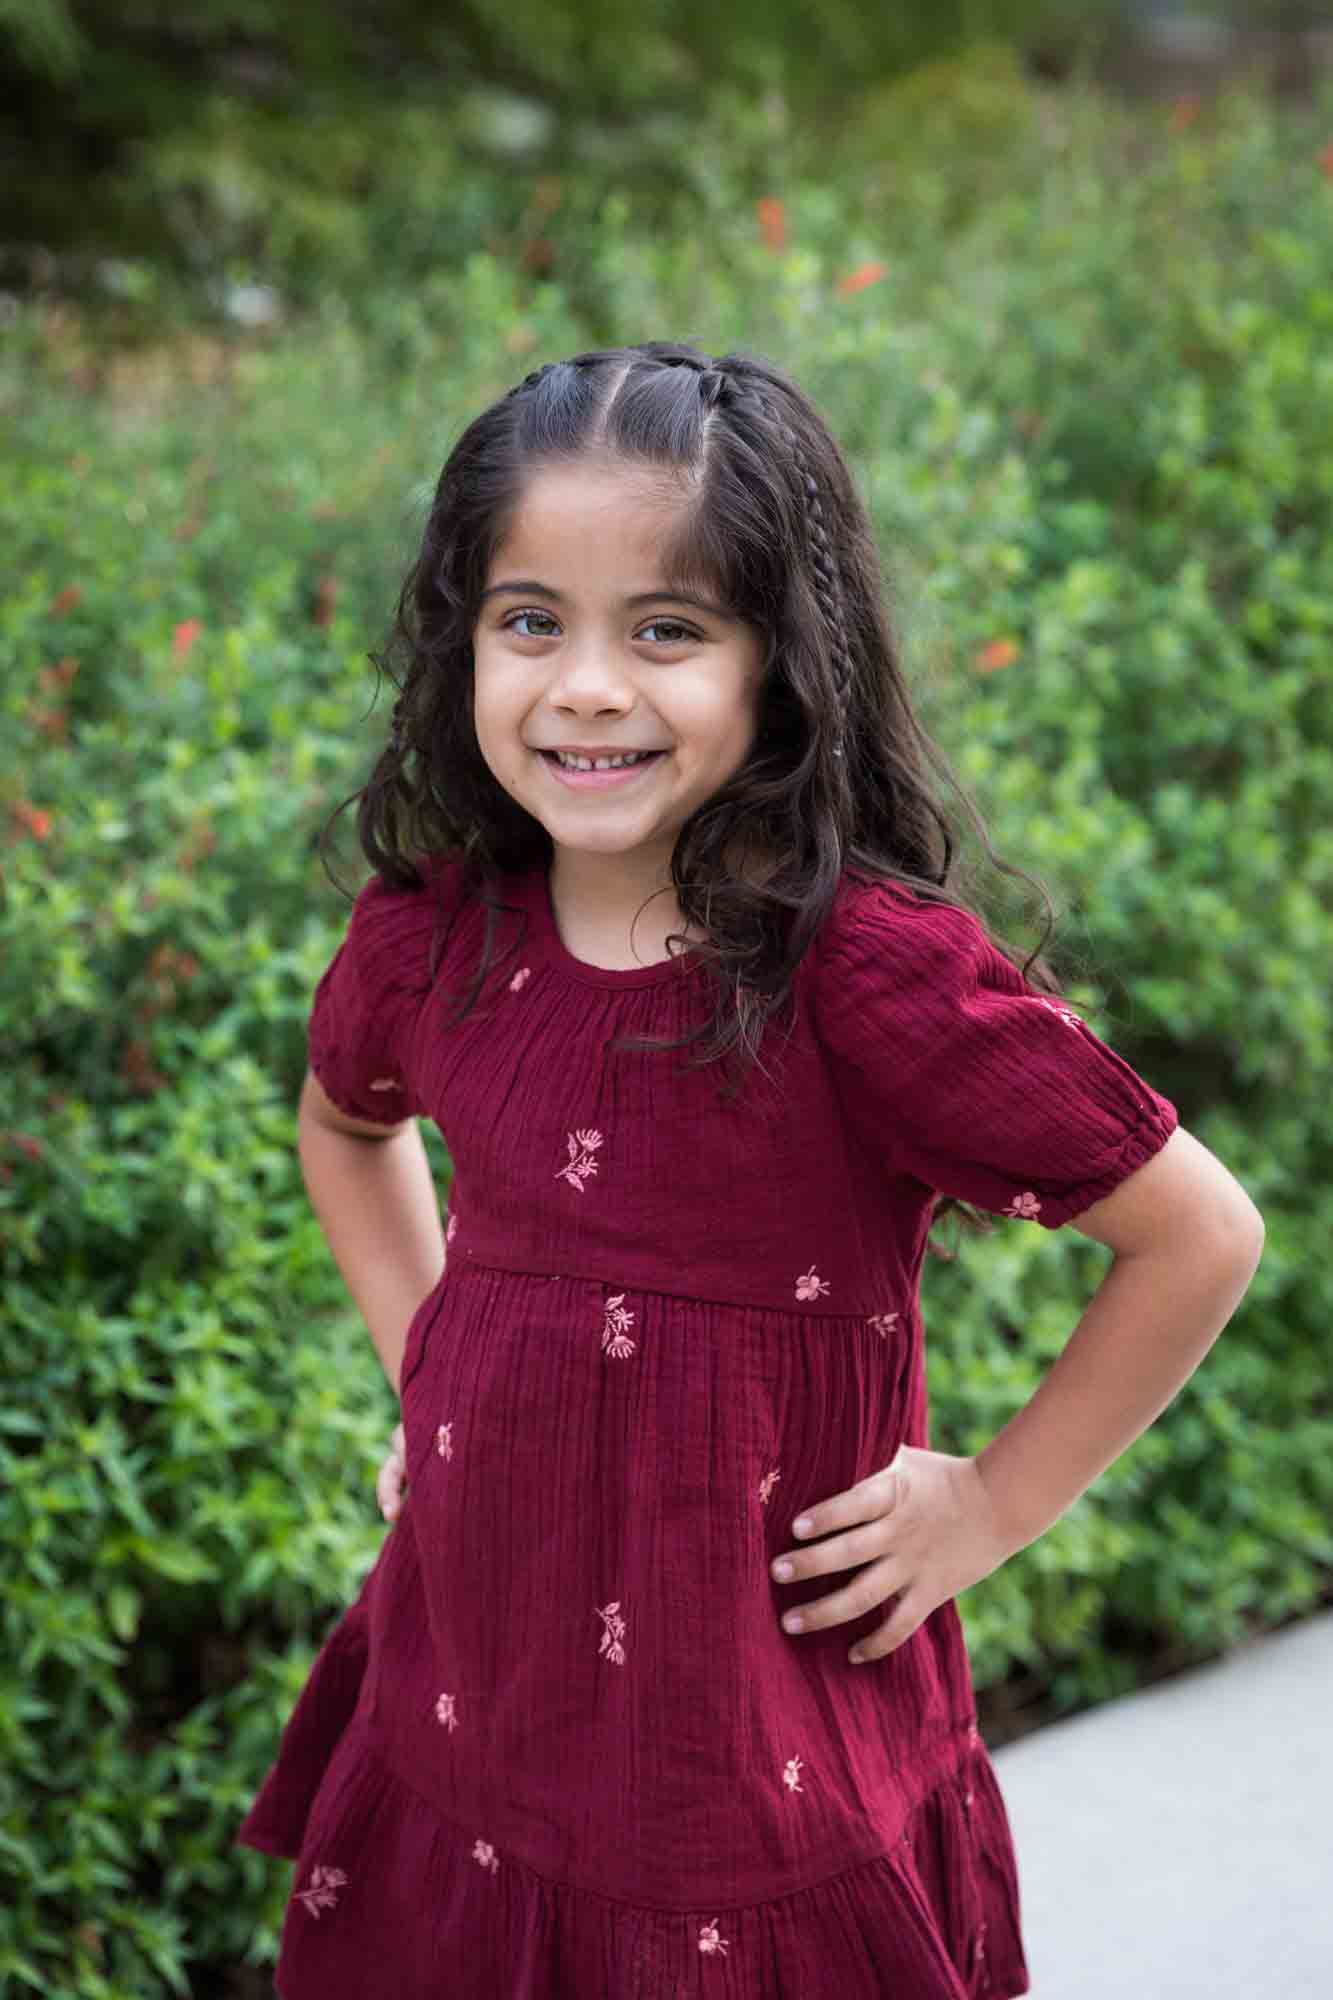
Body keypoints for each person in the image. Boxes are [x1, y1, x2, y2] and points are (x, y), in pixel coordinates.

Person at [234, 341, 1264, 1998]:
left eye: (663, 630)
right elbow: (346, 1126)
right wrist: (424, 1378)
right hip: (469, 1696)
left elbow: (1197, 1234)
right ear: (461, 642)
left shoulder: (860, 975)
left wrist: (992, 1505)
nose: (583, 684)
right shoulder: (434, 937)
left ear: (778, 662)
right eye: (528, 622)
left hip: (741, 1759)